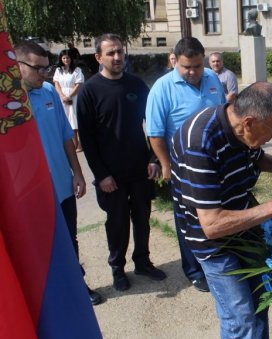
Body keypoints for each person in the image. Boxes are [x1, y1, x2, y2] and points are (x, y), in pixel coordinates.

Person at [171, 82, 272, 338]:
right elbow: (211, 225)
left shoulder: (243, 131)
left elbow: (255, 157)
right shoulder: (200, 142)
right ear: (249, 122)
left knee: (261, 304)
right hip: (214, 245)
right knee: (241, 320)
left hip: (246, 231)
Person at [15, 41, 104, 305]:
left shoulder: (48, 93)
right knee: (36, 245)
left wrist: (77, 173)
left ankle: (76, 284)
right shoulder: (8, 103)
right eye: (38, 68)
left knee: (68, 239)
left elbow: (67, 137)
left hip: (62, 187)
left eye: (47, 67)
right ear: (17, 65)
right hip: (29, 193)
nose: (44, 73)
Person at [77, 33, 166, 291]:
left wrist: (153, 158)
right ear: (98, 57)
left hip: (140, 169)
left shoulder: (136, 85)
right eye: (110, 53)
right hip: (110, 176)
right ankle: (118, 268)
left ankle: (143, 261)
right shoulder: (90, 92)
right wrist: (101, 174)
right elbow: (87, 139)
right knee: (116, 223)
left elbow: (154, 124)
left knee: (142, 218)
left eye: (119, 52)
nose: (117, 57)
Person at [146, 37, 225, 292]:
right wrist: (166, 166)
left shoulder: (213, 79)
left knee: (216, 214)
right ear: (175, 61)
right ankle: (194, 270)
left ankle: (217, 259)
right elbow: (155, 134)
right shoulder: (161, 88)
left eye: (197, 66)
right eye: (186, 67)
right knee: (188, 219)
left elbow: (223, 115)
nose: (192, 72)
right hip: (183, 169)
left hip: (215, 164)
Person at [53, 49, 85, 151]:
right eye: (64, 58)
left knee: (74, 119)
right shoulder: (58, 70)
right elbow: (56, 83)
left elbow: (78, 84)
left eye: (68, 57)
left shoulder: (77, 70)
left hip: (74, 97)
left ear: (71, 59)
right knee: (65, 119)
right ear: (61, 59)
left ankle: (79, 144)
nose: (66, 59)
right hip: (62, 98)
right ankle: (69, 144)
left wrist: (70, 96)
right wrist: (62, 96)